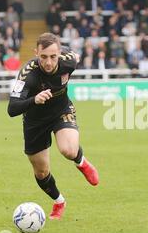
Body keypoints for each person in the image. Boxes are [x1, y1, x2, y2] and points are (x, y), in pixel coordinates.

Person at [7, 33, 99, 220]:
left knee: (68, 150)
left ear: (59, 54)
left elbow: (74, 56)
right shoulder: (28, 74)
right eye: (43, 57)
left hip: (61, 110)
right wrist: (34, 99)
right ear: (36, 53)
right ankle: (59, 201)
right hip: (34, 122)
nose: (48, 62)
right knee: (41, 172)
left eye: (53, 56)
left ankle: (81, 162)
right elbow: (12, 108)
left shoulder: (69, 61)